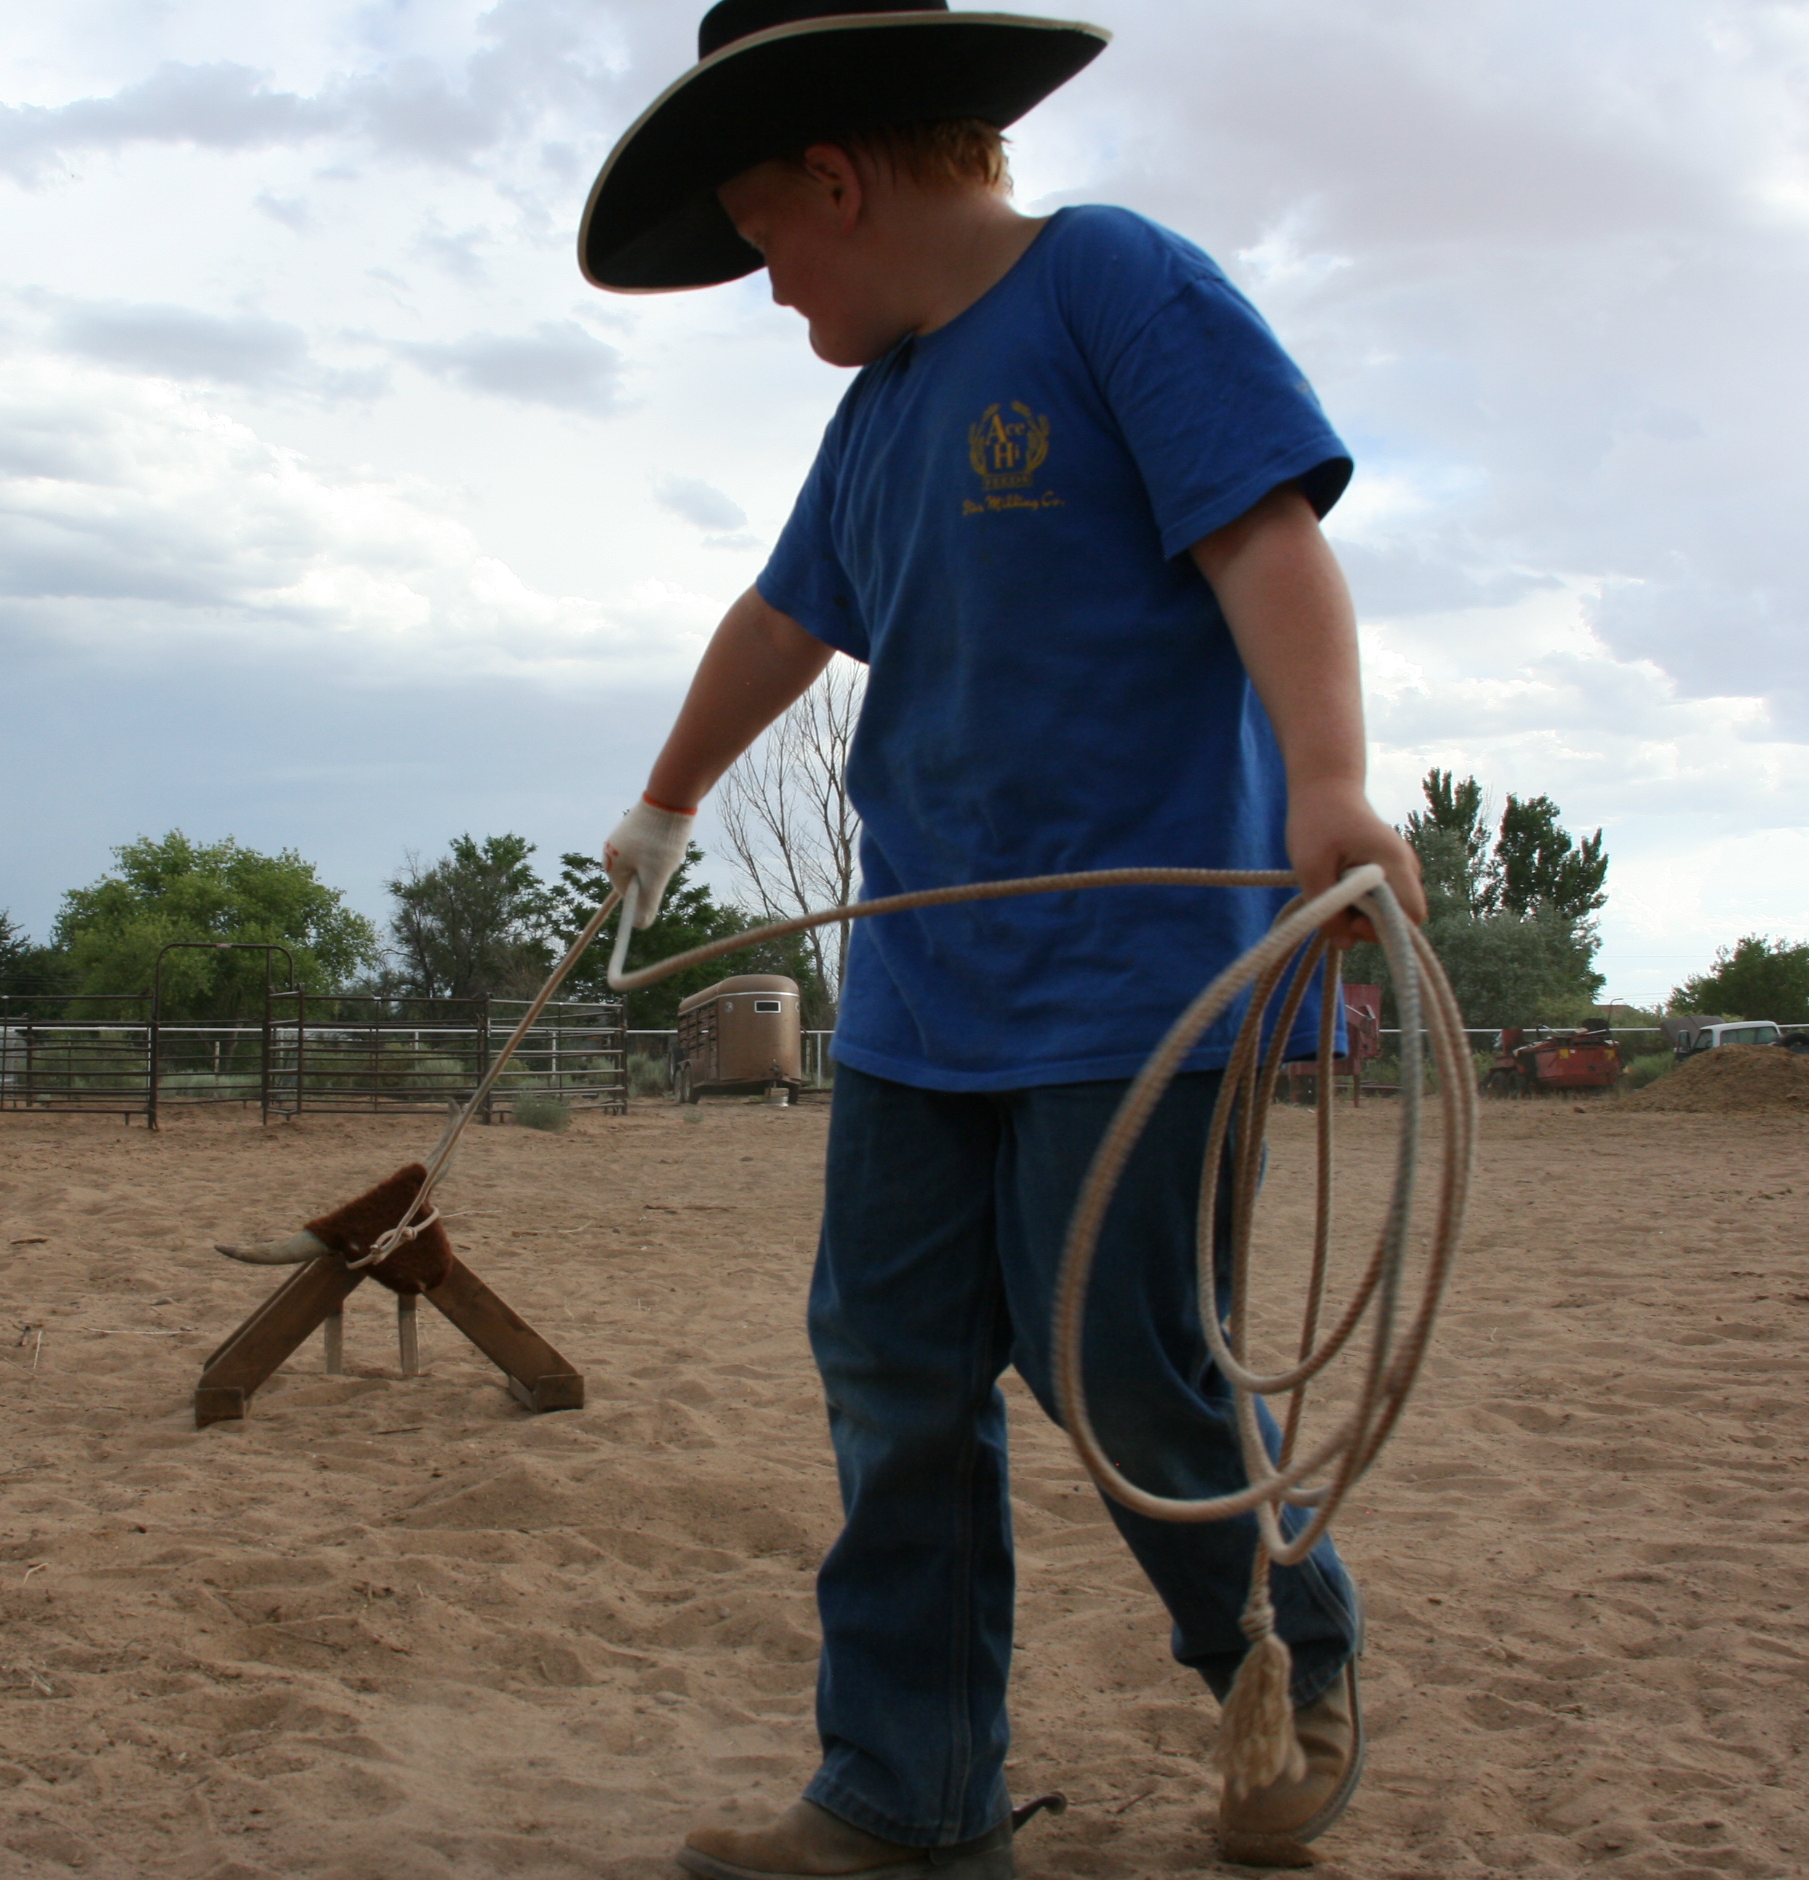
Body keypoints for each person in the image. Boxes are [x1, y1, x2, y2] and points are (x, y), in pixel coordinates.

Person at [581, 5, 1430, 1876]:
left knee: (1123, 1357)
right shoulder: (879, 413)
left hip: (1144, 981)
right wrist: (664, 804)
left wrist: (1330, 781)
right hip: (920, 991)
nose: (767, 283)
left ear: (837, 179)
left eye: (765, 239)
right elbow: (784, 618)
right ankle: (910, 1788)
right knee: (890, 1367)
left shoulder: (1113, 282)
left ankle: (1284, 1655)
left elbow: (1265, 533)